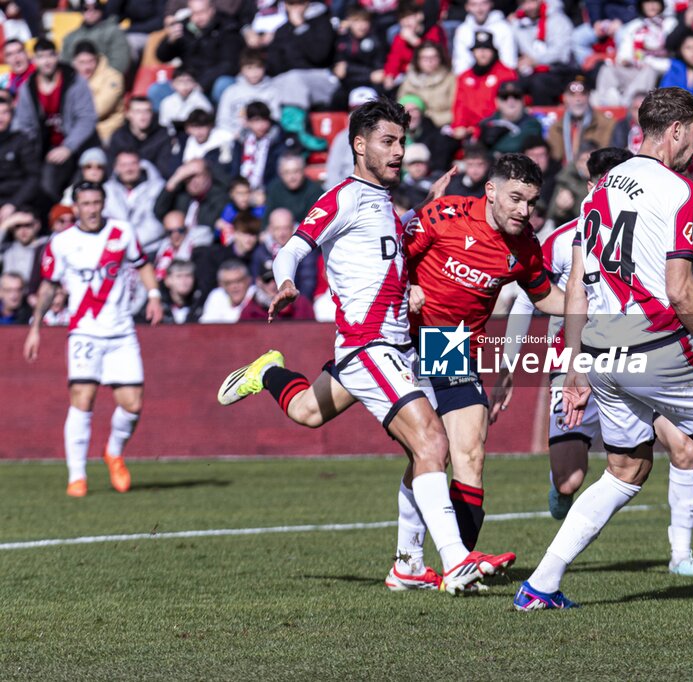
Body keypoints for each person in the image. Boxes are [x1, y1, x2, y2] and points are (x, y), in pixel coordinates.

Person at [216, 97, 516, 594]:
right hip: (368, 346)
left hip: (396, 348)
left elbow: (383, 264)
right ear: (359, 146)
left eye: (402, 142)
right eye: (388, 142)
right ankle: (456, 560)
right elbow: (292, 247)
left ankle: (269, 371)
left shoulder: (386, 207)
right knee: (431, 442)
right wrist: (285, 282)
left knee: (310, 413)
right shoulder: (344, 197)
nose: (399, 151)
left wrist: (413, 254)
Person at [515, 87, 693, 611]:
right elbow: (681, 288)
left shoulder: (600, 188)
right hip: (653, 340)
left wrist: (574, 365)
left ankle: (540, 585)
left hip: (599, 350)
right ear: (677, 129)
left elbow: (576, 286)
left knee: (626, 470)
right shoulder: (679, 190)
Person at [504, 146, 693, 576]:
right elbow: (528, 297)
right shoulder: (561, 241)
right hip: (576, 363)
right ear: (595, 185)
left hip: (638, 358)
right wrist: (508, 361)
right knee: (570, 481)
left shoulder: (650, 231)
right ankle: (558, 503)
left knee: (684, 448)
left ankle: (681, 555)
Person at [404, 153, 564, 555]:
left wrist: (598, 305)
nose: (524, 210)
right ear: (491, 191)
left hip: (450, 344)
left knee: (469, 452)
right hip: (402, 338)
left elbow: (546, 299)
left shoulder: (525, 244)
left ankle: (461, 561)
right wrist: (407, 287)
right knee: (311, 411)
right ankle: (271, 375)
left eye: (531, 202)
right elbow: (391, 257)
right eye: (515, 198)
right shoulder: (444, 215)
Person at [23, 182, 163, 496]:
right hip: (85, 331)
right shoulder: (61, 242)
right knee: (82, 400)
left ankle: (113, 452)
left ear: (103, 203)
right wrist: (35, 328)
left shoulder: (121, 232)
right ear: (75, 207)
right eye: (85, 203)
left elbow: (143, 265)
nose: (92, 209)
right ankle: (77, 476)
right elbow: (48, 286)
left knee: (133, 405)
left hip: (121, 330)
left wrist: (154, 296)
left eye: (97, 202)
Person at [12, 38, 98, 203]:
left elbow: (86, 118)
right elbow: (24, 125)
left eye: (50, 56)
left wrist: (68, 147)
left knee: (51, 178)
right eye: (41, 57)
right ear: (34, 59)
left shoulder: (75, 81)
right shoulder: (28, 88)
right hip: (43, 148)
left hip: (76, 145)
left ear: (57, 56)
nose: (47, 62)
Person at [155, 0, 243, 103]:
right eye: (194, 13)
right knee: (157, 90)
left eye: (202, 12)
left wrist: (201, 84)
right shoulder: (184, 27)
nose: (198, 17)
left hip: (213, 81)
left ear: (212, 10)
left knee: (223, 84)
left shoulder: (227, 27)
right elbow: (162, 57)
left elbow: (229, 65)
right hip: (187, 81)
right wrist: (169, 41)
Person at [594, 0, 675, 107]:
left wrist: (648, 61)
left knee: (649, 71)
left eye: (655, 2)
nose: (651, 5)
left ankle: (628, 104)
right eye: (648, 2)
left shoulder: (670, 24)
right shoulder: (634, 25)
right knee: (607, 69)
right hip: (634, 68)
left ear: (661, 5)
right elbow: (624, 53)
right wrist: (626, 60)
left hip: (656, 70)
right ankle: (604, 102)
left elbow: (671, 60)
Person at [450, 31, 517, 141]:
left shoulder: (507, 74)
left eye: (486, 49)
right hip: (469, 130)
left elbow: (509, 105)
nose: (482, 53)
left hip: (496, 127)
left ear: (494, 52)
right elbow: (460, 104)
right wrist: (459, 125)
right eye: (478, 49)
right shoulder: (464, 77)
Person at [510, 0, 576, 105]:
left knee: (539, 83)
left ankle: (541, 119)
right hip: (530, 71)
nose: (529, 7)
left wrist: (535, 60)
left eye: (532, 2)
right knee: (510, 86)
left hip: (559, 70)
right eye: (524, 3)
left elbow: (562, 54)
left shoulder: (558, 20)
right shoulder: (518, 23)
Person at [104, 150, 166, 255]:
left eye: (133, 164)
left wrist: (129, 242)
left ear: (141, 165)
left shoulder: (158, 188)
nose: (129, 169)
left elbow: (156, 224)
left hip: (150, 250)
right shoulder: (106, 190)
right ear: (116, 168)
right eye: (123, 165)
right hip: (113, 250)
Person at [547, 77, 617, 167]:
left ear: (589, 97)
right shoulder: (556, 128)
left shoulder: (606, 123)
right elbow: (555, 157)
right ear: (565, 98)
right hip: (564, 175)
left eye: (582, 95)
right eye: (572, 95)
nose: (578, 99)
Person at [107, 97, 180, 181]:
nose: (143, 116)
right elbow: (112, 168)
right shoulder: (119, 137)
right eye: (138, 111)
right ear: (128, 114)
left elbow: (164, 168)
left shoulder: (162, 136)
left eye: (147, 111)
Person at [216, 48, 282, 137]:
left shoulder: (272, 91)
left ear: (264, 68)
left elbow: (275, 116)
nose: (254, 73)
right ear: (242, 69)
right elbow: (222, 119)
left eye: (258, 67)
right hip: (234, 135)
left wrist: (256, 127)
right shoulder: (231, 91)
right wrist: (234, 134)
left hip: (263, 134)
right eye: (249, 68)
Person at [60, 0, 132, 78]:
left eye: (96, 7)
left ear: (102, 9)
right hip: (77, 81)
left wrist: (99, 79)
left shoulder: (114, 32)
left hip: (104, 81)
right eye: (85, 8)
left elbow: (119, 63)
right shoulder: (71, 37)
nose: (91, 11)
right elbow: (65, 63)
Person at [397, 41, 456, 129]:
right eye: (425, 58)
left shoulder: (450, 79)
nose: (429, 61)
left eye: (434, 57)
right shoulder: (409, 80)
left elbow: (456, 111)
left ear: (440, 58)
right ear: (418, 60)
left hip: (442, 126)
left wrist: (430, 120)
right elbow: (401, 107)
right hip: (414, 127)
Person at [451, 0, 517, 75]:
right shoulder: (463, 30)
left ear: (491, 4)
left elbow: (509, 62)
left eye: (483, 4)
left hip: (499, 78)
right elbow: (461, 64)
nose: (479, 9)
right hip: (473, 80)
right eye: (474, 5)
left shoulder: (504, 28)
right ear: (467, 7)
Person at [0, 96, 40, 219]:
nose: (1, 118)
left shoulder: (21, 141)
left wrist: (13, 204)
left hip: (19, 202)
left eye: (5, 113)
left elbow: (33, 177)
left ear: (12, 116)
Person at [477, 81, 542, 155]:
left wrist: (489, 145)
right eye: (504, 97)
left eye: (516, 96)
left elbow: (517, 146)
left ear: (523, 100)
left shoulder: (533, 124)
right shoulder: (486, 123)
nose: (511, 100)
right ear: (497, 101)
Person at [239, 260, 314, 321]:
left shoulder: (301, 304)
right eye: (267, 280)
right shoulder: (251, 310)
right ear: (258, 282)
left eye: (276, 279)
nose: (273, 285)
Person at [264, 153, 324, 223]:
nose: (292, 177)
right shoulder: (274, 189)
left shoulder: (316, 191)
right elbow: (267, 220)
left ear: (303, 171)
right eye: (287, 172)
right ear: (280, 173)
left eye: (296, 171)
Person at [199, 258, 255, 323]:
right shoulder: (217, 296)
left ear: (248, 280)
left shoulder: (256, 296)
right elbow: (206, 325)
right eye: (228, 283)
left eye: (239, 281)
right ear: (221, 285)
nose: (234, 286)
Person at [0, 210, 44, 284]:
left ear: (37, 225)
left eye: (27, 225)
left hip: (33, 294)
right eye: (18, 226)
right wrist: (5, 224)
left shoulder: (45, 246)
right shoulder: (7, 249)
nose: (23, 230)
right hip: (8, 293)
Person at [157, 259, 204, 324]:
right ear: (167, 280)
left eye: (188, 275)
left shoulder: (202, 304)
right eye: (179, 276)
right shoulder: (157, 306)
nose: (184, 281)